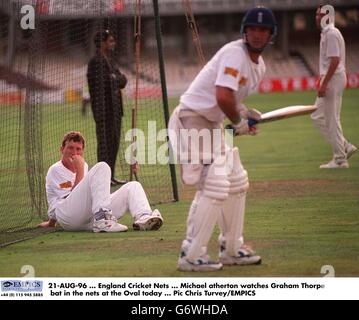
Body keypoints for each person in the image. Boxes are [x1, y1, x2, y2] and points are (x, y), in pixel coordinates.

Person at [168, 6, 276, 272]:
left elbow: (232, 99)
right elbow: (222, 96)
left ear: (271, 34)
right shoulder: (234, 54)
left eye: (263, 30)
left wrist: (245, 114)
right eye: (253, 29)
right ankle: (191, 254)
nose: (258, 34)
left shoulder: (259, 66)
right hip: (192, 118)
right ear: (244, 31)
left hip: (211, 123)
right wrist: (239, 122)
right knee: (215, 183)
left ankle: (231, 249)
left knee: (236, 179)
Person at [38, 131, 163, 233]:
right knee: (102, 166)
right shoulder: (55, 170)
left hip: (86, 219)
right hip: (68, 218)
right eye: (70, 148)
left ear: (83, 151)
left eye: (78, 149)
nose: (74, 153)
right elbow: (65, 201)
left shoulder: (84, 165)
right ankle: (102, 220)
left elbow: (87, 197)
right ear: (62, 149)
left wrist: (50, 223)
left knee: (133, 186)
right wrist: (80, 169)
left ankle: (144, 218)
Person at [311, 5, 357, 169]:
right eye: (316, 15)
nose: (317, 17)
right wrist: (322, 78)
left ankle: (340, 159)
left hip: (334, 79)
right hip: (332, 78)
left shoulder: (331, 33)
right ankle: (344, 146)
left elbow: (335, 60)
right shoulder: (327, 33)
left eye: (320, 15)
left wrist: (324, 83)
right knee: (317, 116)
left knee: (332, 119)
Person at [87, 30, 128, 185]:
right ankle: (103, 178)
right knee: (104, 144)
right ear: (103, 43)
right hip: (103, 111)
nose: (113, 44)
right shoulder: (95, 62)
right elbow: (104, 83)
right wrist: (114, 79)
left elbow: (123, 80)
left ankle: (110, 176)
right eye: (110, 41)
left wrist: (114, 78)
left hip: (116, 111)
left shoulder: (110, 61)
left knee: (114, 144)